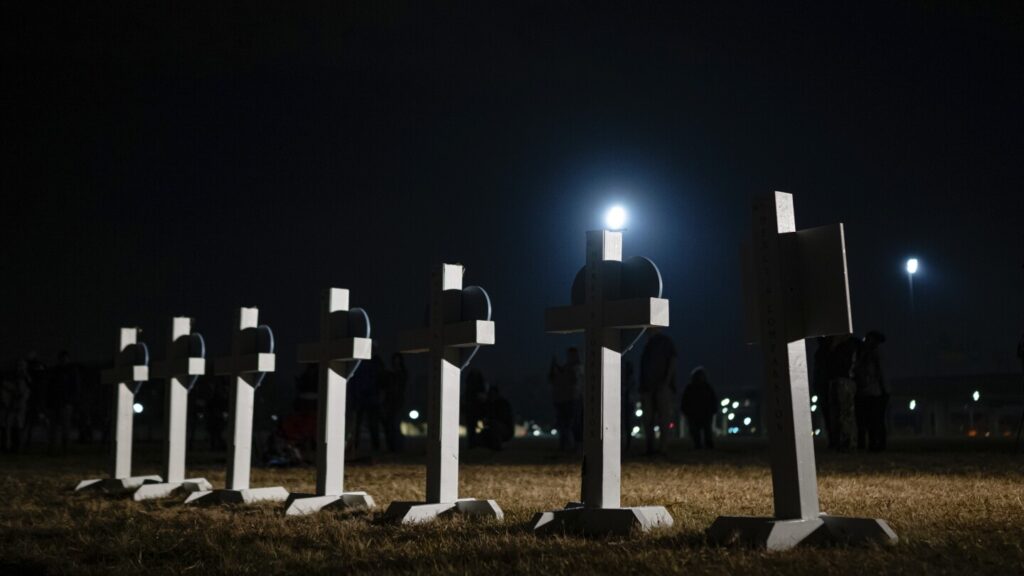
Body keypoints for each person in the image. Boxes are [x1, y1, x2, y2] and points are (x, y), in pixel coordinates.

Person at [639, 328, 677, 456]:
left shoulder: (664, 342)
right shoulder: (648, 344)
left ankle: (662, 447)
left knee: (662, 417)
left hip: (661, 386)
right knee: (649, 418)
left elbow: (672, 361)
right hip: (648, 387)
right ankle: (651, 446)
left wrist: (666, 382)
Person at [855, 331, 888, 452]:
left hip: (872, 392)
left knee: (873, 420)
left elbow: (880, 374)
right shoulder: (869, 355)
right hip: (872, 392)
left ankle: (875, 444)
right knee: (874, 420)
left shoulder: (870, 355)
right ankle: (876, 444)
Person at [825, 334, 858, 452]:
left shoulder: (845, 347)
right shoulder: (849, 346)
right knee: (840, 413)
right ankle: (844, 441)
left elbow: (838, 364)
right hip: (842, 380)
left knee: (844, 413)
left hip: (843, 380)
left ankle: (847, 442)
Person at [349, 352, 383, 455]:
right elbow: (354, 377)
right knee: (357, 424)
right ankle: (355, 446)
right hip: (360, 396)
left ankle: (376, 447)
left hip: (371, 397)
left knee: (373, 424)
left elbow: (380, 377)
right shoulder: (359, 360)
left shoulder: (376, 361)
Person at [549, 348, 582, 452]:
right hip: (563, 399)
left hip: (571, 399)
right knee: (564, 423)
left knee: (571, 423)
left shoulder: (577, 367)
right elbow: (552, 378)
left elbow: (574, 379)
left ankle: (572, 445)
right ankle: (565, 445)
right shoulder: (567, 367)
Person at [47, 350, 79, 453]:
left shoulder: (72, 371)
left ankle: (65, 449)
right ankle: (54, 448)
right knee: (54, 427)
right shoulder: (55, 371)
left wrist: (71, 401)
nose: (63, 360)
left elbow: (75, 387)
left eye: (65, 358)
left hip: (66, 403)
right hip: (56, 402)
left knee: (65, 427)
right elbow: (50, 386)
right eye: (62, 358)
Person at [680, 367, 718, 449]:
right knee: (697, 431)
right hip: (695, 414)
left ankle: (706, 444)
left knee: (706, 430)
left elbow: (713, 399)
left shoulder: (706, 387)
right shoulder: (691, 388)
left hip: (704, 413)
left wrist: (713, 409)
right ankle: (700, 444)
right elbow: (685, 401)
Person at [381, 353, 408, 453]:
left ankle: (397, 447)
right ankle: (392, 447)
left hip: (397, 402)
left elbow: (401, 388)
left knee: (395, 425)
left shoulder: (401, 374)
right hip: (390, 402)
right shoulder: (391, 374)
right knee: (389, 426)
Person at [813, 337, 834, 448]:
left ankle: (833, 440)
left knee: (829, 416)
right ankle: (834, 440)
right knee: (831, 415)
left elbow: (817, 373)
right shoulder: (828, 353)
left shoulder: (821, 354)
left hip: (825, 387)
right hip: (826, 387)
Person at [480, 385, 514, 451]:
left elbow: (503, 417)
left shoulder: (502, 404)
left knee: (495, 426)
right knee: (484, 433)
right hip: (494, 427)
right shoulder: (489, 404)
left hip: (504, 429)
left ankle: (498, 446)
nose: (491, 396)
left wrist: (489, 421)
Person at [462, 368, 488, 449]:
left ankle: (474, 443)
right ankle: (475, 443)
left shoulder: (470, 387)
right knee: (472, 428)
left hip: (473, 409)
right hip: (475, 409)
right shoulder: (478, 386)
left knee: (472, 428)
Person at [621, 360, 635, 453]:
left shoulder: (629, 380)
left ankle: (627, 444)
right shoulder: (629, 380)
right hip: (627, 403)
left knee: (627, 424)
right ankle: (626, 443)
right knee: (626, 424)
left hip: (627, 403)